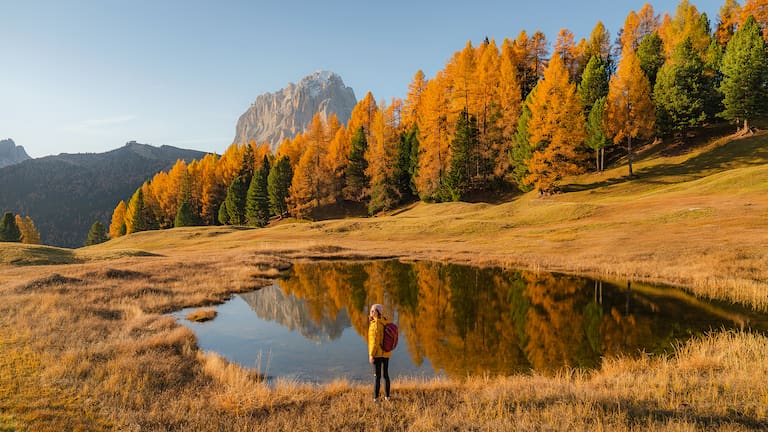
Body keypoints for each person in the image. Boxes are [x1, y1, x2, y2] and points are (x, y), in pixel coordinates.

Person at [368, 303, 392, 402]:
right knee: (385, 375)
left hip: (377, 354)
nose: (371, 312)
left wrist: (371, 355)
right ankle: (387, 397)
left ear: (377, 313)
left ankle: (375, 398)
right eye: (371, 310)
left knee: (376, 376)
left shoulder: (375, 325)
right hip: (386, 353)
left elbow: (374, 342)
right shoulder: (385, 321)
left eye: (373, 311)